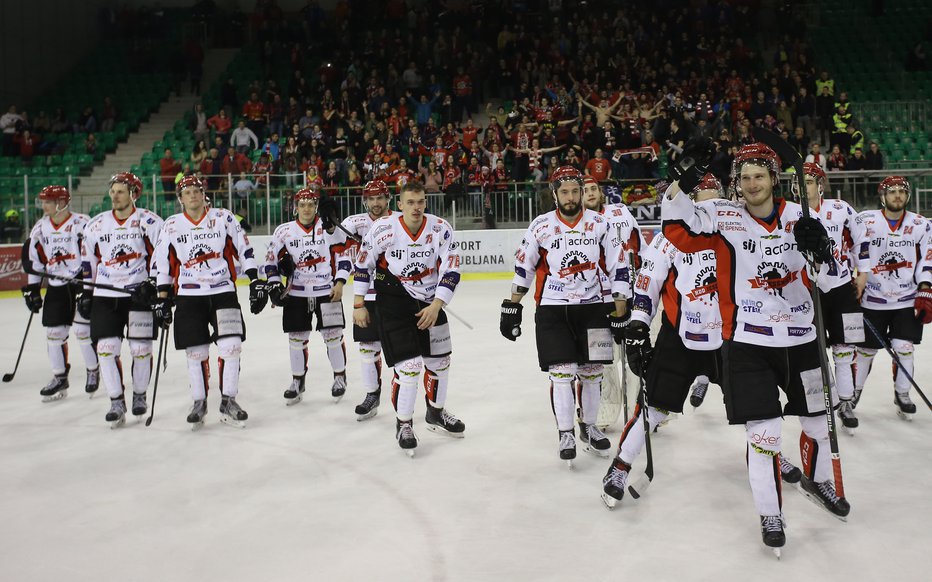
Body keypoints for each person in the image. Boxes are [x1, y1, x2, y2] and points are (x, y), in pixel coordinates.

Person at [660, 142, 852, 553]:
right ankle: (770, 511)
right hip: (748, 343)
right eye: (745, 177)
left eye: (759, 176)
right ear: (736, 182)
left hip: (802, 341)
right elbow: (676, 229)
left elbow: (832, 281)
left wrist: (820, 251)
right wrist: (682, 181)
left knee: (818, 424)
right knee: (763, 435)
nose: (752, 184)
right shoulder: (723, 216)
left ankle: (819, 483)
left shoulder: (803, 217)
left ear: (773, 179)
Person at [601, 174, 727, 506]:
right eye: (705, 200)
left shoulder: (736, 233)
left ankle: (770, 456)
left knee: (754, 403)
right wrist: (639, 329)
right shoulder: (668, 239)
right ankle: (621, 465)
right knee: (653, 407)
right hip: (681, 336)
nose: (712, 207)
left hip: (733, 335)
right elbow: (647, 287)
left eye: (718, 200)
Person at [500, 166, 630, 466]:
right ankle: (566, 432)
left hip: (595, 308)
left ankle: (589, 426)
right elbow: (524, 269)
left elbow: (618, 266)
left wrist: (621, 310)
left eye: (576, 191)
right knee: (562, 372)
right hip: (553, 308)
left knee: (592, 372)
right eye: (565, 192)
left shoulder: (600, 224)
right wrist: (512, 307)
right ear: (555, 193)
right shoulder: (541, 226)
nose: (571, 197)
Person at [353, 181, 465, 455]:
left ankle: (435, 413)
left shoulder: (440, 228)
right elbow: (363, 264)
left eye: (421, 201)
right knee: (410, 366)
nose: (416, 207)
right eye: (410, 202)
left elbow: (452, 270)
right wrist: (358, 303)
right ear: (400, 205)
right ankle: (403, 422)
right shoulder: (383, 229)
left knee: (440, 361)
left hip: (430, 303)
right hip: (394, 302)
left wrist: (437, 305)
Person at [151, 175, 266, 429]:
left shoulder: (223, 218)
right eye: (187, 192)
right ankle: (199, 401)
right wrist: (161, 299)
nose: (192, 195)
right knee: (196, 351)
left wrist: (255, 281)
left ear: (204, 194)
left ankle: (228, 400)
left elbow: (244, 250)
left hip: (222, 290)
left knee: (232, 345)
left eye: (196, 190)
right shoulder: (171, 225)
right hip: (188, 295)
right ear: (180, 199)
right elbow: (163, 264)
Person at [81, 173, 163, 427]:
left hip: (139, 296)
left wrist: (154, 286)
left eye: (120, 191)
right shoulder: (96, 225)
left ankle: (140, 394)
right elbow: (89, 262)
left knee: (141, 349)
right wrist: (86, 292)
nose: (115, 195)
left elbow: (159, 257)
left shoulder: (149, 221)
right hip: (105, 295)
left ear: (133, 194)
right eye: (113, 191)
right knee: (106, 349)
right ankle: (116, 400)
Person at [262, 186, 351, 405]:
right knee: (296, 338)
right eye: (302, 205)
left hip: (326, 292)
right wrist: (274, 285)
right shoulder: (284, 231)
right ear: (296, 208)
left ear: (317, 207)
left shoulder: (329, 228)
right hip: (296, 293)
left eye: (311, 204)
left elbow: (345, 257)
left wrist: (340, 282)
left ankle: (340, 376)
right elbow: (270, 262)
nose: (307, 209)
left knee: (332, 335)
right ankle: (297, 381)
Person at [852, 176, 932, 420]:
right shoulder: (866, 221)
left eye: (901, 191)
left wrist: (926, 286)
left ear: (907, 196)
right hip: (872, 298)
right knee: (865, 351)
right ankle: (851, 393)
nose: (897, 195)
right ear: (882, 196)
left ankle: (903, 393)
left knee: (904, 348)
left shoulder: (921, 224)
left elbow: (927, 257)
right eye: (892, 191)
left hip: (906, 299)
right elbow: (852, 250)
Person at [798, 163, 866, 433]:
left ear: (820, 184)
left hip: (841, 287)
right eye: (797, 182)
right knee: (811, 350)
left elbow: (862, 238)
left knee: (847, 345)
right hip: (806, 291)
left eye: (808, 181)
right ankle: (821, 403)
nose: (802, 187)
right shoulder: (790, 213)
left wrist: (864, 273)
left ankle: (847, 401)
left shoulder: (841, 208)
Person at [20, 185, 99, 401]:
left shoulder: (81, 223)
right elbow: (34, 261)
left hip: (80, 282)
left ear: (61, 202)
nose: (44, 205)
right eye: (43, 201)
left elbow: (92, 254)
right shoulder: (40, 227)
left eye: (48, 201)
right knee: (54, 334)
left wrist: (89, 286)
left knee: (83, 331)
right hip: (56, 284)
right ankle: (59, 376)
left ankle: (93, 369)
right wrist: (33, 289)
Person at [340, 180, 393, 420]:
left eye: (380, 197)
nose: (375, 203)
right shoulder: (354, 223)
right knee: (367, 347)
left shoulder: (398, 221)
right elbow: (334, 244)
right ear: (365, 200)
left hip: (395, 294)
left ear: (388, 199)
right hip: (366, 294)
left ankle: (405, 395)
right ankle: (372, 394)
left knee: (403, 348)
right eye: (371, 198)